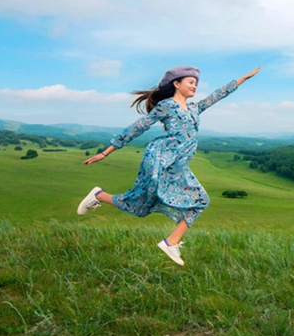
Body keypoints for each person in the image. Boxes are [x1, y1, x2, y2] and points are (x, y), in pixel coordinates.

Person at [77, 65, 260, 266]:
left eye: (196, 83)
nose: (194, 86)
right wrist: (106, 152)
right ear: (176, 83)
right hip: (161, 160)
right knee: (192, 201)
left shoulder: (194, 108)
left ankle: (100, 196)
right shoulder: (166, 106)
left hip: (178, 164)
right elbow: (139, 126)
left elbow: (220, 94)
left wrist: (244, 78)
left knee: (157, 204)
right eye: (191, 82)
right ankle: (169, 242)